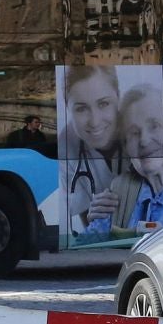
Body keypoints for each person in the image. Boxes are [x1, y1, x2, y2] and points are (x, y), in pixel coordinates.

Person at [100, 83, 163, 238]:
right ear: (126, 146)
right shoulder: (119, 191)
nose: (144, 141)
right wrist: (95, 218)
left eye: (154, 126)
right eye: (134, 132)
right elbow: (84, 245)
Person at [60, 66, 125, 239]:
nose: (95, 122)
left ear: (118, 97)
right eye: (81, 109)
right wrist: (93, 215)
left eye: (103, 104)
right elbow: (87, 220)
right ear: (67, 108)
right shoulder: (66, 144)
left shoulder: (142, 129)